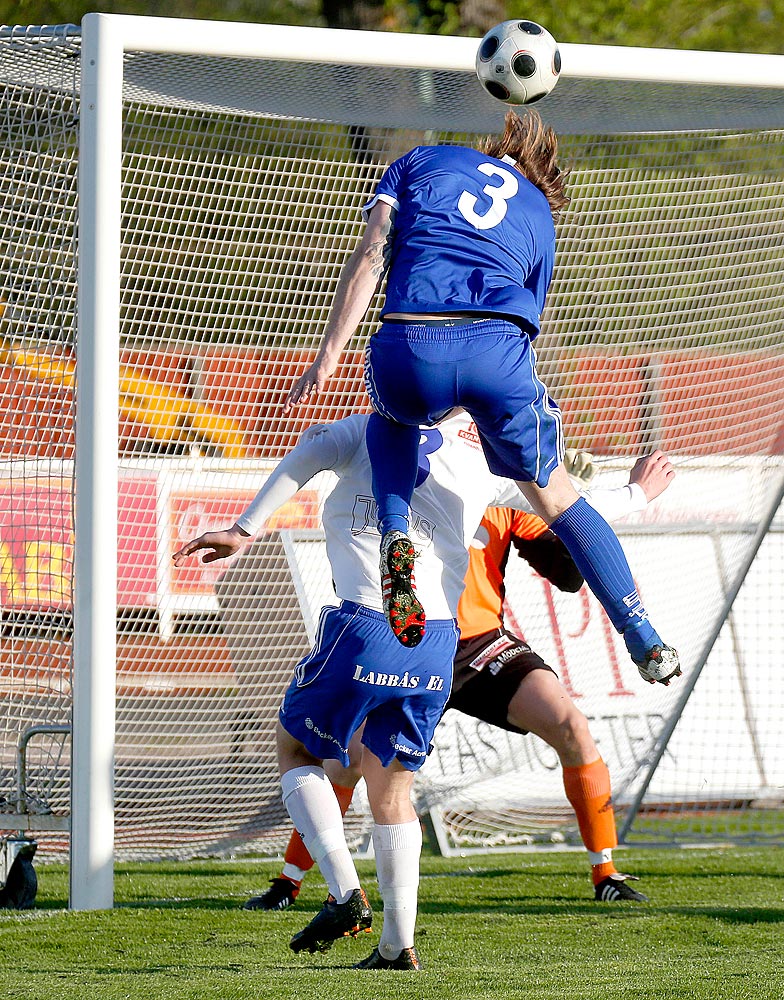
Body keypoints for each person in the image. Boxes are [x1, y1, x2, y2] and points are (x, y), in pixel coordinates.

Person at [173, 410, 669, 969]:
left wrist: (243, 529)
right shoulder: (487, 459)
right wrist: (633, 492)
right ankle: (394, 943)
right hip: (435, 642)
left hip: (378, 626)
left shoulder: (362, 429)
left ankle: (343, 894)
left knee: (301, 750)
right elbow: (575, 512)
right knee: (390, 787)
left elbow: (304, 457)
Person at [282, 110, 679, 691]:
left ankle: (395, 539)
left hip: (411, 343)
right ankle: (641, 633)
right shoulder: (538, 212)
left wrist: (329, 353)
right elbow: (528, 322)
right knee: (559, 500)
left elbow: (372, 254)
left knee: (392, 419)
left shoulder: (419, 161)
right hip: (496, 354)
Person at [243, 498, 667, 913]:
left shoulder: (503, 494)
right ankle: (288, 881)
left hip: (482, 647)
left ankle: (606, 874)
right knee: (347, 761)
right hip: (410, 646)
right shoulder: (399, 484)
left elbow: (567, 576)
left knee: (570, 725)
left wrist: (576, 508)